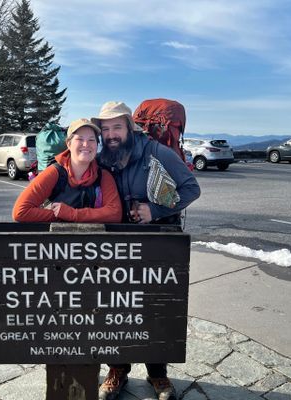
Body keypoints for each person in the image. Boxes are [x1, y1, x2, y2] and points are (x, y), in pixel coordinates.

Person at [92, 101, 201, 400]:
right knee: (113, 307)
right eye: (105, 129)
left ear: (129, 126)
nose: (111, 134)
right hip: (115, 245)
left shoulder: (156, 152)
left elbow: (192, 188)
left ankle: (158, 374)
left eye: (117, 127)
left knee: (155, 306)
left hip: (157, 240)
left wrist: (153, 210)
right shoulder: (102, 159)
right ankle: (117, 370)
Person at [12, 118, 122, 223]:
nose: (86, 144)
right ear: (69, 144)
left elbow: (115, 213)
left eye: (91, 140)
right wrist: (60, 215)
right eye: (79, 139)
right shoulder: (54, 173)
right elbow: (20, 211)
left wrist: (72, 214)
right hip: (57, 242)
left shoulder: (103, 176)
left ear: (97, 145)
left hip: (92, 242)